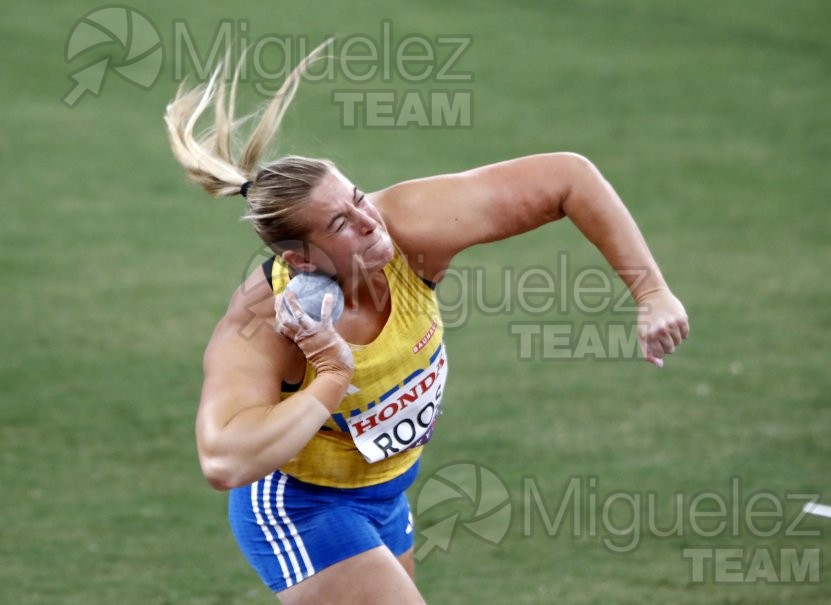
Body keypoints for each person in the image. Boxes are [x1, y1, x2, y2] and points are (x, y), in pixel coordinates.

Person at [164, 45, 689, 605]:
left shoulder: (407, 232)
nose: (370, 223)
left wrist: (651, 292)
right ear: (300, 260)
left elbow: (567, 178)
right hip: (301, 505)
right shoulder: (264, 324)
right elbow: (223, 460)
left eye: (359, 197)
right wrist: (331, 378)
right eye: (341, 222)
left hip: (385, 491)